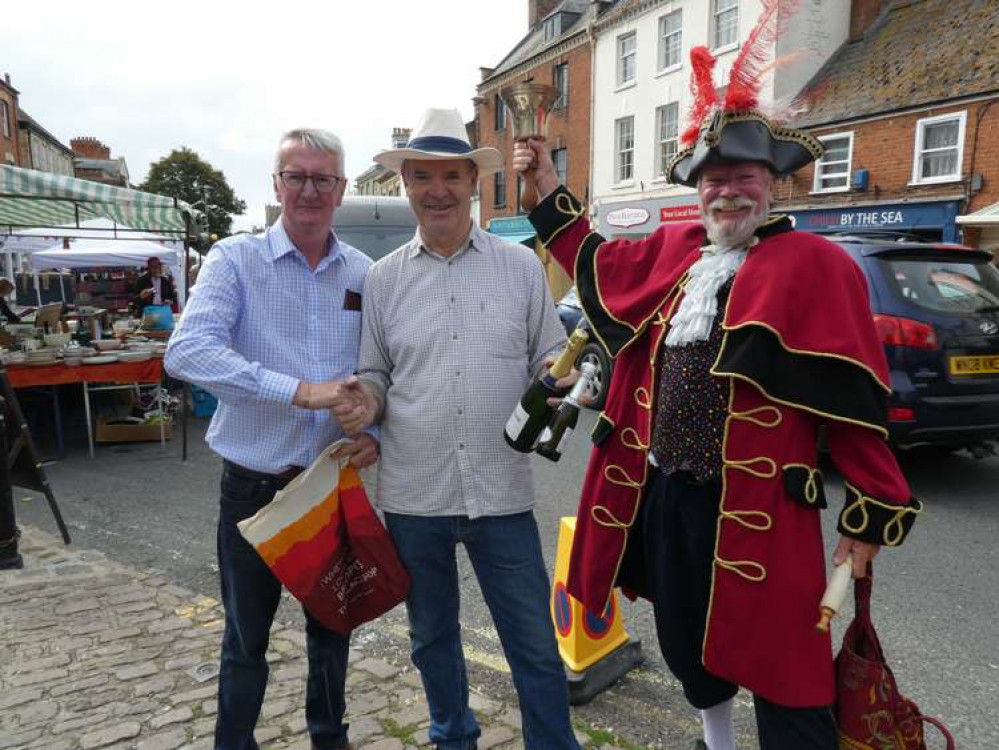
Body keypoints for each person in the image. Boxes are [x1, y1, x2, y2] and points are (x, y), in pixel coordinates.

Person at [512, 38, 923, 750]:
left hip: (760, 507)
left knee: (785, 667)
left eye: (740, 176)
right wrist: (547, 188)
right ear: (694, 190)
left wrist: (868, 508)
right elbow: (594, 259)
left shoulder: (814, 266)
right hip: (664, 492)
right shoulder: (678, 253)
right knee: (685, 640)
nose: (724, 191)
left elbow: (852, 404)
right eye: (710, 180)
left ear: (772, 183)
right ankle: (716, 741)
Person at [330, 108, 581, 750]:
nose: (435, 189)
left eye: (449, 175)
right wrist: (367, 406)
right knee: (432, 638)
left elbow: (547, 358)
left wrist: (565, 384)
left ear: (473, 181)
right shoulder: (381, 281)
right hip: (414, 495)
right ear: (407, 184)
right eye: (421, 176)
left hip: (501, 494)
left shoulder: (521, 267)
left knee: (532, 641)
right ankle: (453, 738)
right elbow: (377, 372)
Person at [165, 127, 377, 750]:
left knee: (331, 633)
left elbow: (376, 372)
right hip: (253, 489)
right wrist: (299, 390)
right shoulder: (236, 260)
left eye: (322, 179)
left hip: (329, 485)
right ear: (276, 184)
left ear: (341, 189)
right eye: (295, 176)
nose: (308, 190)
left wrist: (373, 428)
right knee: (245, 639)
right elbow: (188, 352)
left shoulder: (364, 272)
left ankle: (327, 739)